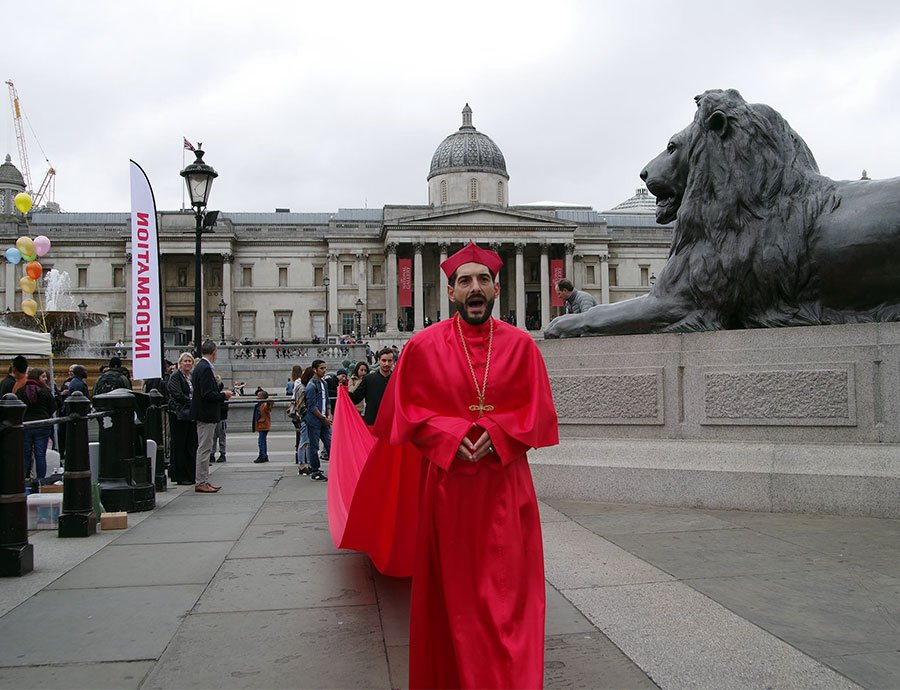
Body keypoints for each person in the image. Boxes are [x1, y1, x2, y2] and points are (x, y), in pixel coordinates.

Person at [374, 240, 559, 689]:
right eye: (464, 281)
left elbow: (538, 413)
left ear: (497, 289)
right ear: (451, 292)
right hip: (447, 492)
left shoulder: (522, 346)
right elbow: (405, 413)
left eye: (482, 280)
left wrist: (496, 436)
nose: (474, 288)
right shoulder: (421, 346)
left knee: (507, 599)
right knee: (452, 600)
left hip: (506, 491)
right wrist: (451, 437)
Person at [189, 341, 233, 493]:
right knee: (204, 448)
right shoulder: (206, 368)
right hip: (206, 414)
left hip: (203, 413)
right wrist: (223, 395)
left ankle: (203, 480)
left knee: (205, 447)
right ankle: (201, 481)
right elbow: (207, 394)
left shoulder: (199, 367)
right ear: (214, 352)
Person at [18, 366, 58, 480]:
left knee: (25, 454)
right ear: (37, 377)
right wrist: (45, 414)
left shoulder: (21, 391)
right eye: (43, 376)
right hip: (42, 425)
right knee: (40, 454)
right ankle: (40, 481)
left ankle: (21, 481)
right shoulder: (44, 392)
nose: (45, 379)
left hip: (26, 425)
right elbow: (54, 406)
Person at [167, 352, 197, 485]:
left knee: (190, 444)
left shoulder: (190, 377)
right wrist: (193, 402)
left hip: (189, 414)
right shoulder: (175, 377)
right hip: (179, 415)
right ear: (180, 363)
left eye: (190, 361)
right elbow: (177, 394)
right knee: (179, 444)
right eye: (185, 361)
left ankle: (190, 474)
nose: (188, 363)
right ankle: (180, 475)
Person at [349, 348, 394, 426]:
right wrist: (342, 392)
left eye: (389, 361)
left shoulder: (398, 379)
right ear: (378, 360)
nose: (386, 364)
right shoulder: (368, 379)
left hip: (393, 423)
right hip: (372, 423)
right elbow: (355, 398)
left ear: (393, 361)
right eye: (383, 360)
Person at [303, 359, 331, 481]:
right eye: (321, 368)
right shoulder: (311, 385)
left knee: (330, 444)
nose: (324, 370)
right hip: (314, 420)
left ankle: (335, 467)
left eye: (325, 368)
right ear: (315, 369)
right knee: (314, 446)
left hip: (323, 418)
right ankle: (315, 470)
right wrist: (324, 418)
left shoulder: (323, 383)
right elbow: (311, 407)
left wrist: (329, 414)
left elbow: (327, 400)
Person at [211, 374, 228, 463]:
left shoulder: (222, 396)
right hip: (215, 418)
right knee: (213, 438)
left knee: (221, 437)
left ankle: (222, 454)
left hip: (220, 418)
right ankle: (212, 454)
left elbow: (224, 408)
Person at [252, 389, 272, 463]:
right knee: (262, 441)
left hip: (263, 425)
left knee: (261, 441)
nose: (256, 398)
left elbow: (268, 406)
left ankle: (262, 456)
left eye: (258, 396)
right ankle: (264, 455)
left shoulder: (264, 404)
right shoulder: (259, 405)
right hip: (261, 425)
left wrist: (269, 402)